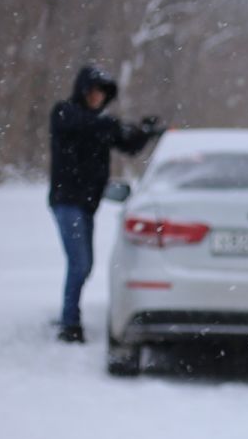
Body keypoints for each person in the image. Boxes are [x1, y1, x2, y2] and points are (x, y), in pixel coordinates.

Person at [46, 64, 164, 343]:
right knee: (80, 263)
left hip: (86, 205)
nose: (98, 97)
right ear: (83, 90)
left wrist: (145, 132)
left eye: (103, 93)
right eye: (95, 91)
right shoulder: (64, 113)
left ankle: (68, 314)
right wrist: (113, 126)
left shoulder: (101, 125)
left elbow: (128, 144)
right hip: (67, 202)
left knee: (84, 265)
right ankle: (69, 324)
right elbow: (84, 124)